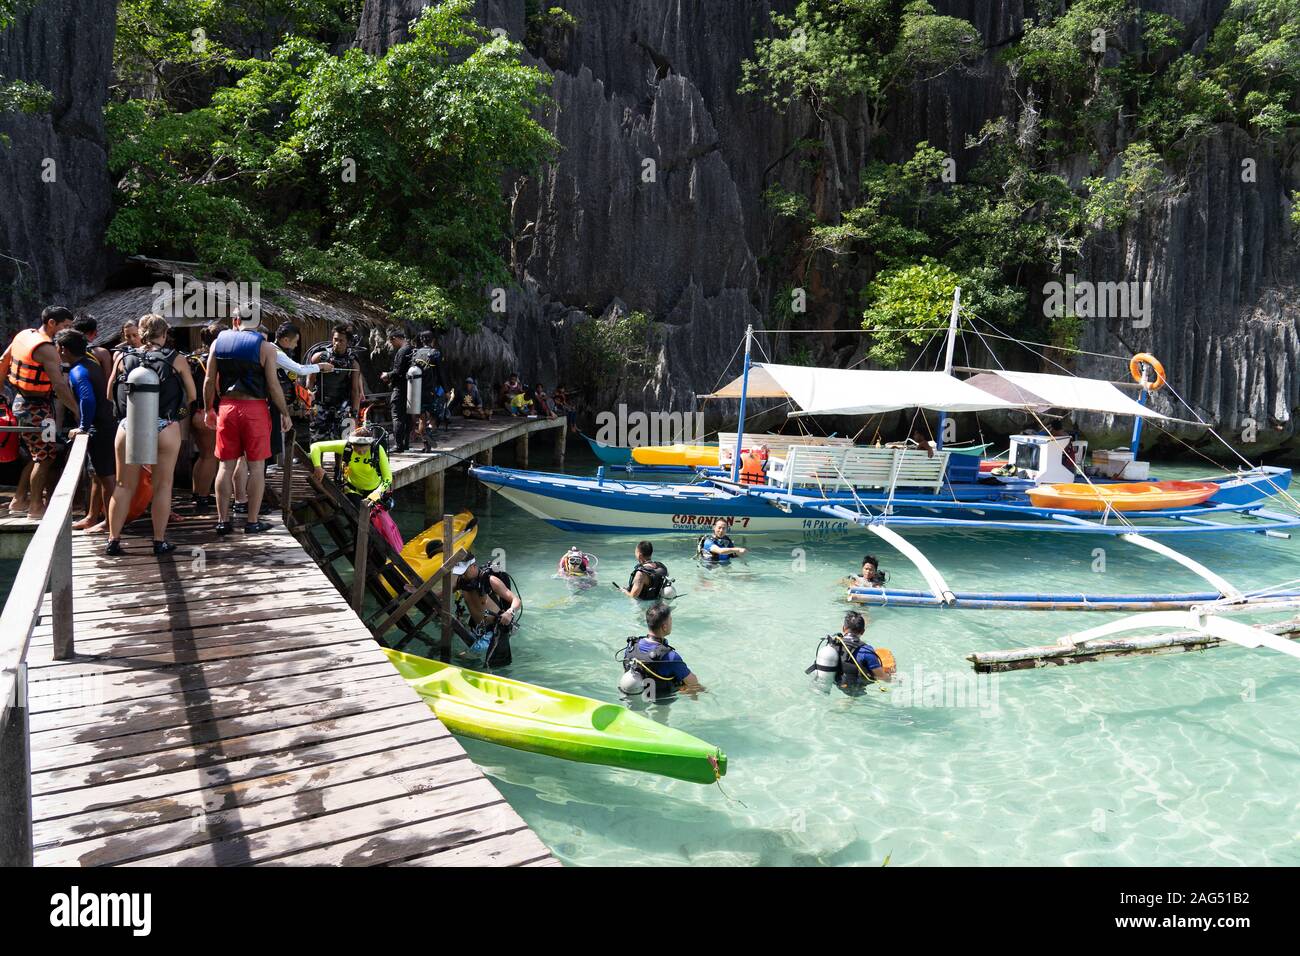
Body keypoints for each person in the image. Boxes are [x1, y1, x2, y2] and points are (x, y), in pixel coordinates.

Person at [104, 313, 197, 555]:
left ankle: (113, 541)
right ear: (164, 334)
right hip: (164, 425)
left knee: (123, 485)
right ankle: (158, 541)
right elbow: (193, 394)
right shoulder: (176, 359)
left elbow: (109, 394)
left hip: (129, 425)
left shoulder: (124, 357)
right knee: (163, 486)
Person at [203, 309, 292, 536]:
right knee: (256, 467)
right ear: (259, 323)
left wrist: (207, 410)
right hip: (255, 409)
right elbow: (273, 385)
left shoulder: (217, 343)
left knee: (225, 466)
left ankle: (223, 521)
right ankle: (252, 522)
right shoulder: (266, 348)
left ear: (235, 321)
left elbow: (209, 380)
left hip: (227, 408)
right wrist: (285, 413)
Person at [0, 306, 78, 519]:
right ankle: (35, 507)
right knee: (45, 457)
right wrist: (78, 411)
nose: (67, 331)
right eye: (65, 326)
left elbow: (3, 361)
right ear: (51, 323)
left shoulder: (24, 335)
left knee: (39, 455)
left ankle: (18, 500)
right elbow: (60, 387)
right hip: (36, 409)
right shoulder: (46, 349)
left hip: (21, 401)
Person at [56, 330, 117, 531]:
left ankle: (111, 523)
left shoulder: (78, 371)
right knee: (98, 475)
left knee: (108, 478)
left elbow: (87, 399)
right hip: (106, 423)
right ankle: (93, 517)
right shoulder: (90, 364)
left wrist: (83, 426)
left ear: (63, 349)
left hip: (101, 428)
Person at [270, 320, 331, 464]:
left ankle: (282, 461)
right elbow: (300, 369)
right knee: (280, 429)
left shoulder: (278, 351)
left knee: (282, 429)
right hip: (273, 399)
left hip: (280, 398)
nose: (297, 345)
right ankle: (280, 463)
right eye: (295, 342)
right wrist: (320, 366)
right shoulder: (277, 353)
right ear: (285, 340)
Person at [619, 604, 703, 702]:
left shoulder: (631, 647)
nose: (672, 622)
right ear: (664, 627)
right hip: (662, 700)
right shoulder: (670, 657)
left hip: (636, 696)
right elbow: (693, 683)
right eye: (670, 620)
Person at [452, 554, 521, 667]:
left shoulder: (491, 580)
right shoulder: (461, 581)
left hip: (494, 630)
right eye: (460, 572)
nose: (462, 575)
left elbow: (516, 600)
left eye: (464, 571)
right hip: (476, 629)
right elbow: (440, 594)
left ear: (473, 566)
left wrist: (509, 612)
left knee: (462, 658)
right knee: (462, 659)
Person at [808, 611, 895, 693]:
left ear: (843, 628)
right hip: (855, 687)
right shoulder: (866, 651)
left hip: (836, 682)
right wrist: (893, 679)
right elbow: (881, 677)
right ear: (863, 631)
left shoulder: (832, 645)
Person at [306, 322, 363, 442]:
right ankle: (317, 461)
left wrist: (355, 413)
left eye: (341, 340)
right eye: (335, 339)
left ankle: (340, 461)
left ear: (348, 342)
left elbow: (355, 390)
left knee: (342, 440)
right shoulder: (319, 357)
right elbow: (309, 382)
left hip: (342, 404)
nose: (337, 343)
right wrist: (308, 405)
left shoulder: (352, 362)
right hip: (320, 403)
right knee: (317, 439)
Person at [309, 425, 393, 507]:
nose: (361, 453)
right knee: (359, 513)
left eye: (364, 450)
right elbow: (315, 446)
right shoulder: (346, 446)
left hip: (375, 490)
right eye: (357, 450)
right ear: (351, 444)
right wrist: (318, 467)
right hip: (352, 489)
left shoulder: (377, 450)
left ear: (370, 445)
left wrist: (378, 492)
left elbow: (387, 478)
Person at [408, 331, 446, 449]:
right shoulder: (434, 353)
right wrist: (446, 389)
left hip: (417, 390)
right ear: (432, 340)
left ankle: (426, 446)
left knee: (422, 418)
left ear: (421, 340)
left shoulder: (415, 353)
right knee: (436, 416)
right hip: (431, 391)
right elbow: (440, 373)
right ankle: (429, 432)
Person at [378, 328, 412, 452]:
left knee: (397, 416)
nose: (392, 346)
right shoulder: (412, 349)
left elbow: (398, 371)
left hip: (400, 388)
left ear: (395, 339)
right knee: (407, 417)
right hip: (410, 388)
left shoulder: (402, 351)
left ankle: (398, 445)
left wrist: (387, 375)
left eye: (392, 343)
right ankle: (406, 444)